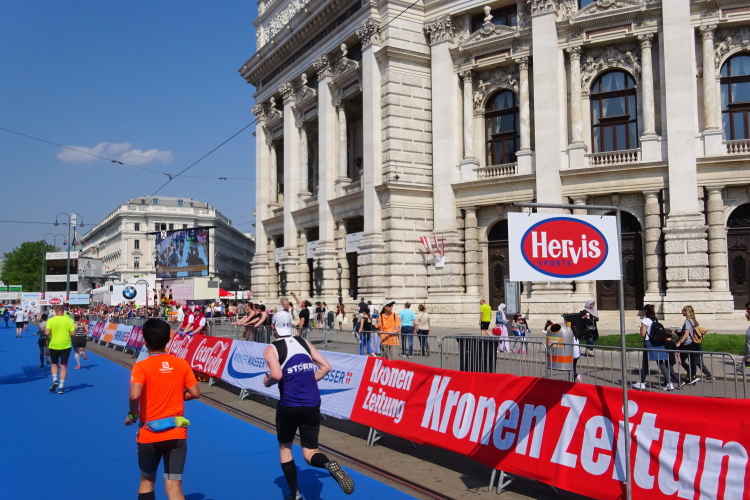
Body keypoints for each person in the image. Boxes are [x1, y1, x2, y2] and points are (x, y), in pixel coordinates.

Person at [264, 302, 355, 499]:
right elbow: (326, 367)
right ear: (291, 325)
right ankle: (327, 464)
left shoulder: (272, 348)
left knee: (285, 448)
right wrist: (308, 380)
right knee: (310, 451)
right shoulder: (303, 343)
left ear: (273, 327)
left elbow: (277, 375)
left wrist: (267, 380)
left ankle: (295, 494)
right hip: (312, 402)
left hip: (289, 404)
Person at [125, 318, 201, 500]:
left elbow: (135, 395)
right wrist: (175, 395)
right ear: (168, 339)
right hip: (176, 433)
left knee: (147, 480)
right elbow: (195, 393)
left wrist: (133, 414)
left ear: (145, 341)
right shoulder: (181, 363)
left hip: (150, 433)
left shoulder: (141, 366)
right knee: (174, 488)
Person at [633, 304, 680, 391]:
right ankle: (669, 383)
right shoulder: (655, 320)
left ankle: (642, 383)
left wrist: (641, 329)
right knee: (661, 363)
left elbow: (643, 334)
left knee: (645, 363)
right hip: (658, 343)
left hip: (649, 343)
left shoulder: (645, 320)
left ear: (646, 311)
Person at [677, 305, 714, 387]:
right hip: (695, 344)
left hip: (688, 344)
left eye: (683, 310)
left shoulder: (687, 321)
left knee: (682, 360)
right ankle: (691, 376)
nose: (681, 311)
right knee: (694, 362)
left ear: (686, 312)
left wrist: (679, 342)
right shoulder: (693, 321)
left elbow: (686, 334)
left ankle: (691, 376)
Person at [45, 305, 76, 394]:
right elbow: (73, 333)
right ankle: (61, 386)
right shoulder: (69, 320)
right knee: (63, 366)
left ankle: (55, 380)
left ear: (55, 311)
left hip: (54, 345)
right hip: (65, 345)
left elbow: (47, 332)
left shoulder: (50, 320)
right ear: (63, 311)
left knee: (54, 363)